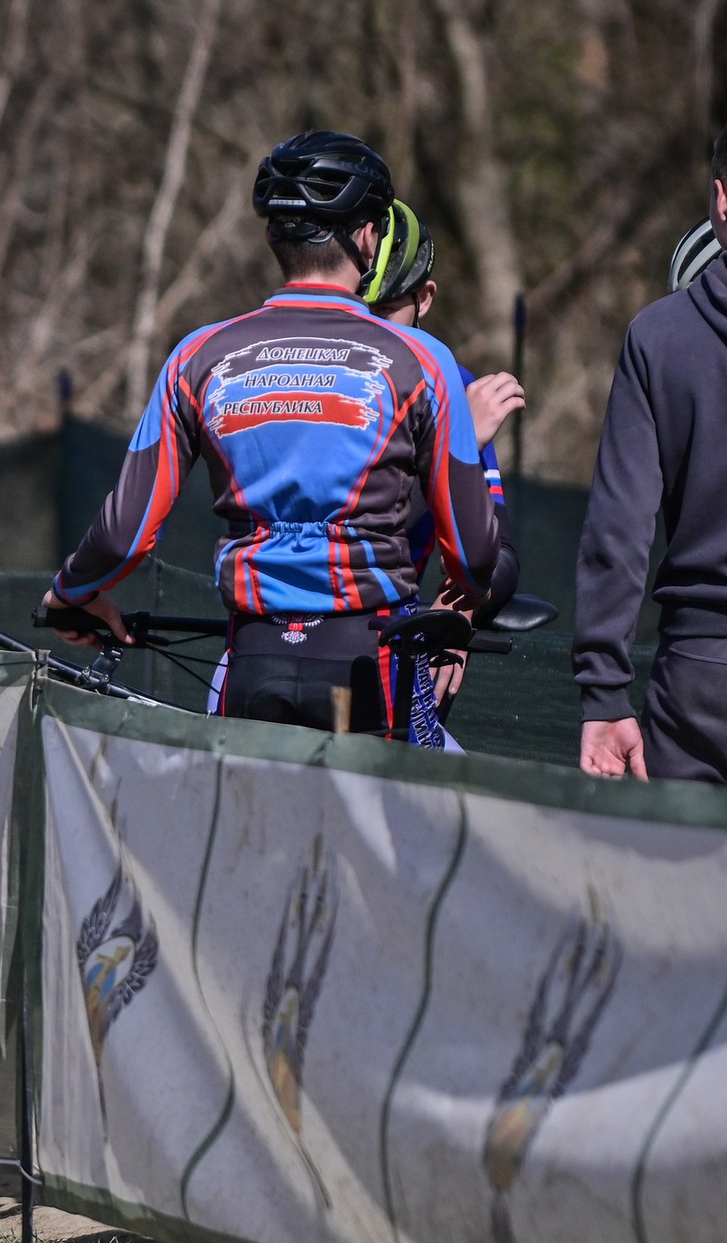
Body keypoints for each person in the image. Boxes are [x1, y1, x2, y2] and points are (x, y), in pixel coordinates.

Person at [43, 132, 503, 738]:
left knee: (253, 834)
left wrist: (74, 590)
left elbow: (126, 532)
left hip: (250, 661)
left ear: (270, 237)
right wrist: (461, 599)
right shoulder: (423, 360)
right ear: (368, 238)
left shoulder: (196, 357)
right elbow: (472, 554)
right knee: (357, 832)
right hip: (367, 664)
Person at [573, 131, 727, 783]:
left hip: (699, 675)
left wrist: (604, 692)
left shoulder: (659, 338)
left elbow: (619, 530)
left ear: (720, 199)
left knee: (675, 883)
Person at [355, 199, 526, 736]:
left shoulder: (450, 382)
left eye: (385, 312)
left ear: (425, 298)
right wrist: (457, 446)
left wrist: (455, 617)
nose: (373, 332)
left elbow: (498, 558)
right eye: (359, 311)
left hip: (397, 642)